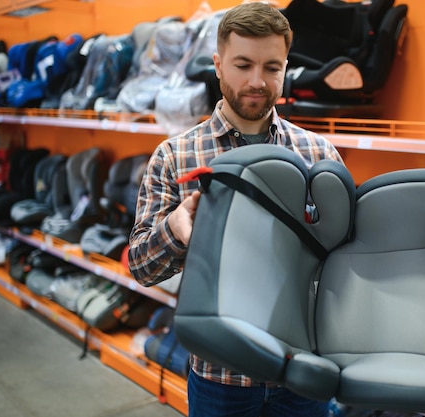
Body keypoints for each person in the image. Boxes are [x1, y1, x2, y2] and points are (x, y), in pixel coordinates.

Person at [128, 2, 343, 416]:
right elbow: (141, 267)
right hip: (220, 376)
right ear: (218, 64)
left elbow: (340, 262)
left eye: (271, 67)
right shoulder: (175, 156)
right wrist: (174, 229)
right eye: (243, 65)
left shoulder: (319, 152)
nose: (257, 81)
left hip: (302, 368)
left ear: (285, 68)